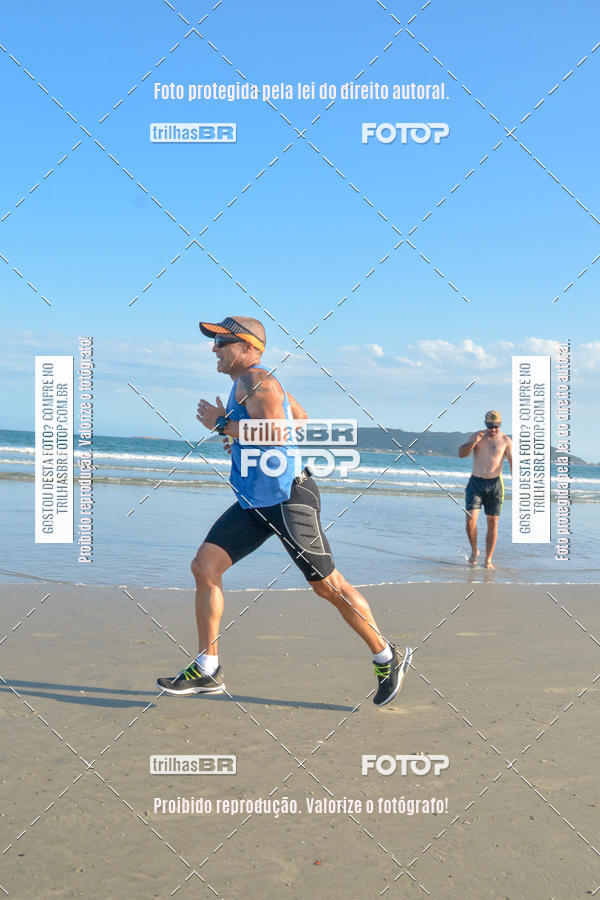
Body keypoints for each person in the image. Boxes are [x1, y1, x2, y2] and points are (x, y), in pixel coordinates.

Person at [157, 315, 412, 706]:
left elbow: (276, 433)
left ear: (248, 348)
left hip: (288, 498)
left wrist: (224, 425)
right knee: (204, 567)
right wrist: (241, 436)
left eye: (222, 343)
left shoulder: (254, 380)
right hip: (256, 500)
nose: (214, 349)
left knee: (328, 588)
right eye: (214, 342)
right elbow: (299, 421)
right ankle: (208, 667)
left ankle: (386, 655)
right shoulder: (254, 385)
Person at [458, 410, 512, 569]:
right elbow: (462, 454)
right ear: (485, 424)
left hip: (495, 484)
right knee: (470, 521)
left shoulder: (506, 440)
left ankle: (488, 559)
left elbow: (514, 462)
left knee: (493, 522)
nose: (492, 429)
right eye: (490, 426)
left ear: (500, 425)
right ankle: (475, 551)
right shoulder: (477, 436)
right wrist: (473, 442)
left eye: (495, 426)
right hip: (475, 483)